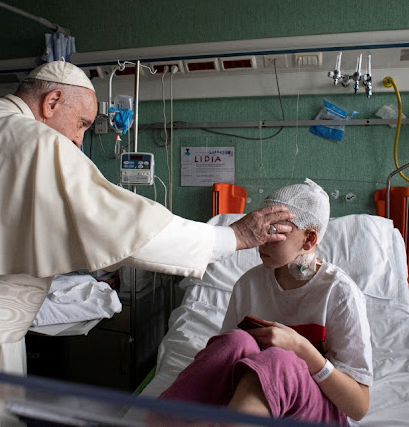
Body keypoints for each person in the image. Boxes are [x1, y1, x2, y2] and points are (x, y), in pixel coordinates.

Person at [0, 60, 294, 375]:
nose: (76, 141)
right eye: (82, 124)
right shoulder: (30, 137)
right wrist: (232, 237)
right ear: (51, 104)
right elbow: (125, 223)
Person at [158, 179, 373, 425]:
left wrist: (303, 350)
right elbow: (227, 365)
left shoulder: (340, 294)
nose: (260, 239)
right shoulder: (248, 285)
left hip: (316, 412)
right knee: (233, 341)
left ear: (309, 240)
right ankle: (163, 419)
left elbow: (358, 407)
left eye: (274, 231)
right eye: (260, 227)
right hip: (253, 404)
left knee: (277, 360)